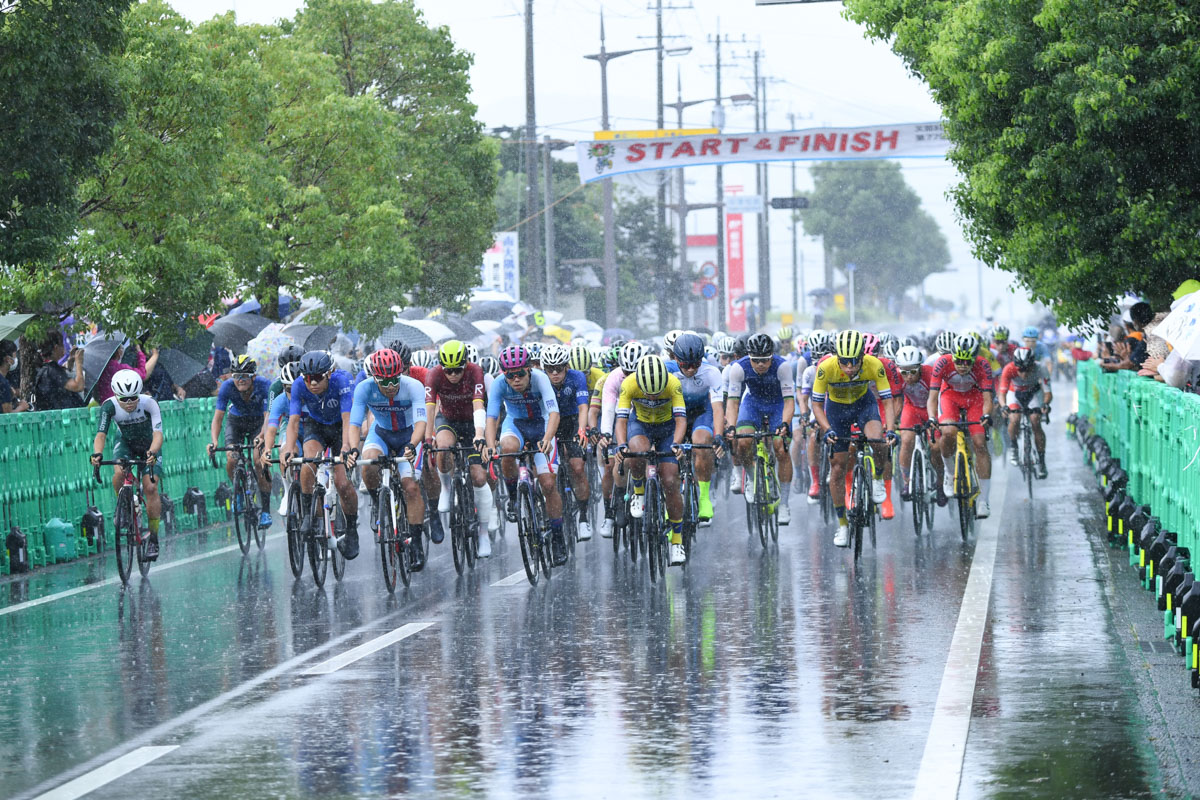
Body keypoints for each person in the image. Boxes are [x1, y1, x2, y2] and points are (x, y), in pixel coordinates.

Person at [811, 330, 895, 547]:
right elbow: (817, 405)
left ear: (862, 357)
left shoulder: (874, 364)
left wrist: (892, 428)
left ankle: (877, 479)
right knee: (837, 468)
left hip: (863, 405)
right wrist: (827, 429)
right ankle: (842, 525)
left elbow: (887, 400)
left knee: (877, 440)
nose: (849, 367)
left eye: (854, 362)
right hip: (836, 410)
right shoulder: (825, 368)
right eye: (844, 362)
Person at [347, 348, 430, 567]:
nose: (391, 386)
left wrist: (412, 444)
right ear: (374, 377)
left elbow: (422, 422)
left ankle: (416, 543)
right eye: (385, 381)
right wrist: (354, 449)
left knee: (410, 487)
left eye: (395, 379)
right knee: (368, 465)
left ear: (401, 372)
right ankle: (379, 501)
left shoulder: (413, 386)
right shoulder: (364, 388)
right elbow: (355, 424)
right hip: (381, 432)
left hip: (409, 434)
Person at [483, 345, 565, 563]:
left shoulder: (540, 379)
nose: (515, 379)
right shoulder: (500, 384)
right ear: (504, 375)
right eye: (510, 375)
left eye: (520, 373)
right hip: (516, 424)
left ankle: (558, 537)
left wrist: (547, 438)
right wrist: (490, 445)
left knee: (548, 483)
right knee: (507, 450)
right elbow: (491, 418)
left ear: (529, 369)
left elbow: (554, 413)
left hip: (542, 425)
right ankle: (513, 496)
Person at [280, 351, 360, 558]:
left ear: (330, 374)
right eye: (307, 378)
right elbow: (293, 421)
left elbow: (347, 419)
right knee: (308, 463)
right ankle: (308, 515)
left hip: (340, 427)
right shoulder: (299, 385)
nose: (312, 383)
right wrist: (289, 448)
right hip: (316, 426)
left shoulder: (342, 381)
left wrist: (345, 447)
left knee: (342, 483)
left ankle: (351, 530)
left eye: (317, 378)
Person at [615, 354, 688, 565]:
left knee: (670, 481)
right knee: (636, 451)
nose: (654, 398)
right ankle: (638, 490)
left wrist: (676, 443)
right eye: (649, 394)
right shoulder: (629, 383)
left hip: (667, 430)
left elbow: (681, 420)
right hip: (641, 425)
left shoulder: (673, 383)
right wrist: (621, 445)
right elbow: (621, 420)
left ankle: (676, 541)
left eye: (658, 394)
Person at [424, 340, 494, 557]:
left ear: (465, 364)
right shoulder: (434, 374)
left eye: (457, 370)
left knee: (479, 477)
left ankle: (483, 533)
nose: (453, 375)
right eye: (449, 371)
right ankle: (446, 487)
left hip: (472, 421)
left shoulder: (475, 372)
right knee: (443, 448)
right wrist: (428, 438)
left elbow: (478, 404)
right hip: (449, 420)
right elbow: (430, 407)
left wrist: (480, 435)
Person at [89, 370, 165, 559]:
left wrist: (152, 452)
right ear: (116, 395)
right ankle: (124, 505)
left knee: (151, 487)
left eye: (133, 398)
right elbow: (101, 434)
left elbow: (158, 435)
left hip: (149, 445)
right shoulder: (109, 406)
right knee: (118, 474)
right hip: (126, 443)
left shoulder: (149, 403)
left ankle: (154, 539)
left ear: (139, 393)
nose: (129, 403)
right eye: (124, 399)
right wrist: (97, 454)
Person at [724, 332, 796, 525]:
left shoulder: (783, 367)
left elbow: (789, 402)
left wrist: (785, 424)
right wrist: (731, 426)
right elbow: (732, 402)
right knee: (743, 441)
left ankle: (784, 504)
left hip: (777, 405)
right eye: (756, 360)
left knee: (781, 447)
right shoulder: (739, 368)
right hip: (753, 404)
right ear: (749, 356)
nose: (761, 364)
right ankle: (750, 477)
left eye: (765, 360)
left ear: (772, 356)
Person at [928, 333, 995, 517]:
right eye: (959, 361)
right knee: (948, 432)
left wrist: (987, 414)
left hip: (974, 399)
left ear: (974, 358)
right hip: (950, 397)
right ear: (952, 356)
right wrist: (932, 417)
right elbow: (933, 397)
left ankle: (984, 501)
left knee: (980, 443)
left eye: (968, 362)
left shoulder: (983, 364)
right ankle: (950, 474)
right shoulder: (942, 363)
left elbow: (987, 398)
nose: (963, 366)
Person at [207, 354, 273, 528]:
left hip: (258, 423)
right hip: (236, 422)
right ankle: (238, 491)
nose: (240, 380)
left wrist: (261, 436)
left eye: (245, 376)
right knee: (232, 458)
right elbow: (218, 418)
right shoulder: (227, 387)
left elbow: (268, 417)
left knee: (259, 461)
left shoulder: (265, 385)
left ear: (253, 376)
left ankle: (265, 510)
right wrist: (214, 441)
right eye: (236, 376)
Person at [668, 332, 726, 525]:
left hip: (702, 411)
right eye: (685, 365)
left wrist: (718, 436)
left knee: (701, 444)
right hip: (674, 413)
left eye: (696, 364)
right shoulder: (666, 371)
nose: (691, 369)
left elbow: (718, 408)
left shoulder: (711, 372)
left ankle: (703, 497)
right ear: (675, 358)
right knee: (668, 453)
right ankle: (670, 498)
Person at [541, 343, 594, 541]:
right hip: (548, 423)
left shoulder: (577, 377)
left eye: (559, 368)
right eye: (550, 369)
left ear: (566, 366)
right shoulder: (540, 379)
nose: (555, 373)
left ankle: (583, 517)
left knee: (577, 467)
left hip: (572, 421)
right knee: (544, 469)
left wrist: (582, 430)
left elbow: (583, 408)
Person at [894, 345, 945, 503]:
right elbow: (894, 401)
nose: (908, 377)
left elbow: (941, 398)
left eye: (913, 372)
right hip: (912, 409)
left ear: (920, 368)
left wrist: (939, 419)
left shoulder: (930, 374)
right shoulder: (897, 378)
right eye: (904, 372)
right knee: (907, 440)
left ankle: (940, 483)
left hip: (933, 409)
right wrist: (891, 422)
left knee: (935, 447)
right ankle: (907, 481)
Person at [998, 346, 1052, 478]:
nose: (1024, 374)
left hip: (1033, 393)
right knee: (1014, 418)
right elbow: (1002, 394)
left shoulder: (1041, 368)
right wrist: (1004, 406)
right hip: (1014, 393)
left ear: (1033, 364)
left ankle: (1042, 461)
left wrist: (1045, 404)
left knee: (1035, 421)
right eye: (1020, 369)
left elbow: (1048, 393)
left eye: (1027, 369)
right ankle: (1014, 447)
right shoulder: (1009, 369)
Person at [95, 340, 159, 406]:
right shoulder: (119, 368)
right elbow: (142, 375)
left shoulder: (100, 368)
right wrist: (140, 353)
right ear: (118, 352)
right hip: (120, 405)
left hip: (106, 404)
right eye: (121, 348)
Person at [32, 332, 85, 410]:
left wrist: (71, 361)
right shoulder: (52, 370)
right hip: (61, 418)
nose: (64, 348)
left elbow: (61, 377)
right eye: (62, 345)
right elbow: (78, 386)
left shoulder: (45, 367)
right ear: (56, 348)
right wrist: (79, 363)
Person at [0, 340, 30, 413]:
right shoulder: (3, 383)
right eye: (14, 356)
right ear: (8, 359)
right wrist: (22, 407)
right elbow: (7, 416)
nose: (16, 359)